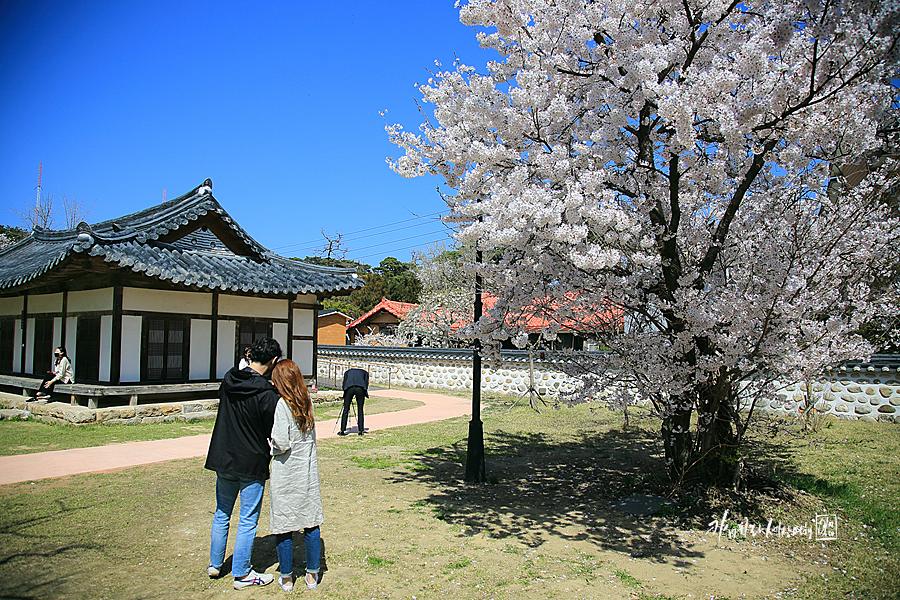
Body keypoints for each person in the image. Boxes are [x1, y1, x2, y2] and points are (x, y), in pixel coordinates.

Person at [205, 337, 282, 590]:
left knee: (222, 512)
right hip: (251, 460)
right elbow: (273, 428)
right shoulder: (267, 393)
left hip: (224, 456)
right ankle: (241, 573)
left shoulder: (229, 379)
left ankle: (215, 564)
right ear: (272, 361)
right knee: (248, 518)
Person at [269, 359, 324, 591]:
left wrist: (269, 444)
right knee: (310, 522)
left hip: (287, 471)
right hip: (307, 469)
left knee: (284, 524)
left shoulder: (283, 405)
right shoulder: (307, 401)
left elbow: (281, 442)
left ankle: (287, 576)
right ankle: (312, 573)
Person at [338, 367, 369, 436]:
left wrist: (345, 394)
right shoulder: (365, 372)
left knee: (346, 409)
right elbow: (366, 384)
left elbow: (344, 383)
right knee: (360, 410)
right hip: (360, 388)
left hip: (349, 388)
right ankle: (361, 430)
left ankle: (342, 430)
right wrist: (365, 393)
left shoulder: (347, 372)